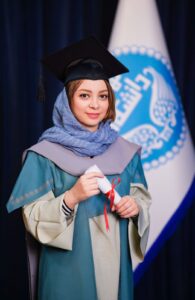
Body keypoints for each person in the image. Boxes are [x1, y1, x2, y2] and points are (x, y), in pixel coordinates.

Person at [7, 36, 151, 300]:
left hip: (115, 267)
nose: (95, 105)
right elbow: (32, 218)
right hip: (67, 270)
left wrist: (136, 207)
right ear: (67, 100)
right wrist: (72, 197)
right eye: (84, 95)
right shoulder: (45, 154)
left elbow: (142, 198)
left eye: (103, 96)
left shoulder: (126, 152)